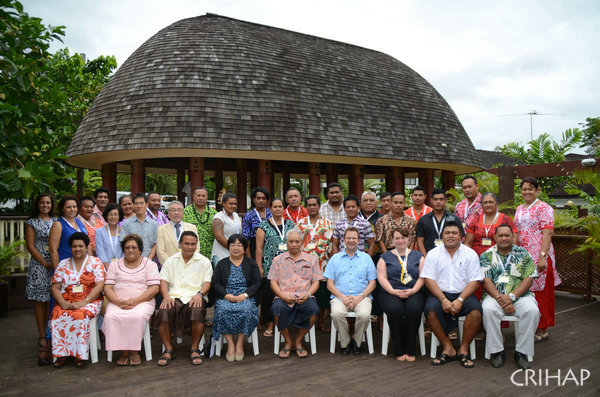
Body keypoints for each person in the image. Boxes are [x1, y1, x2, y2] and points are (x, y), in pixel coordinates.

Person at [421, 221, 482, 368]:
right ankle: (448, 347)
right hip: (439, 294)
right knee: (430, 310)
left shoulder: (470, 254)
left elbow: (475, 281)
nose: (450, 236)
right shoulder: (433, 254)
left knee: (476, 312)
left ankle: (463, 348)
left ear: (461, 235)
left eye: (454, 233)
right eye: (447, 233)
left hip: (464, 294)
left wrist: (460, 299)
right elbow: (428, 280)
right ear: (442, 235)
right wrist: (443, 299)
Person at [480, 225, 540, 369]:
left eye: (507, 235)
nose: (504, 238)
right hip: (494, 296)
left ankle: (521, 352)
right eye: (500, 236)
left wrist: (512, 297)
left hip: (520, 296)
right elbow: (486, 281)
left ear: (513, 237)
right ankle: (497, 351)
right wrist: (502, 299)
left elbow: (529, 279)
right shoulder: (486, 255)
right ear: (495, 237)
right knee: (488, 310)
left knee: (532, 311)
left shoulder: (524, 254)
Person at [157, 231, 212, 366]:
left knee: (197, 310)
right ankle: (168, 349)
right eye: (186, 243)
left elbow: (207, 283)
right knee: (163, 311)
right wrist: (165, 296)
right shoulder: (171, 261)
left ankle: (194, 348)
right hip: (174, 296)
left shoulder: (204, 261)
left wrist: (199, 294)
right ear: (180, 244)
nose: (190, 247)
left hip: (195, 296)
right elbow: (163, 281)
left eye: (193, 244)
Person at [103, 234, 160, 366]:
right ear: (123, 250)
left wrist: (136, 301)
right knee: (111, 316)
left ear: (140, 250)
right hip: (118, 301)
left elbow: (154, 288)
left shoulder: (149, 265)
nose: (130, 250)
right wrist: (117, 301)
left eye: (134, 247)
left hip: (143, 301)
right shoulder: (115, 265)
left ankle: (134, 351)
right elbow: (108, 288)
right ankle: (124, 352)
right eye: (127, 247)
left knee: (137, 316)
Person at [50, 232, 105, 368]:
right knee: (57, 315)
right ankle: (61, 354)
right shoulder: (63, 264)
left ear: (87, 247)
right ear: (70, 248)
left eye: (81, 246)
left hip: (91, 301)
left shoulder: (95, 262)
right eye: (74, 246)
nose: (77, 249)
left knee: (80, 316)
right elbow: (55, 287)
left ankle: (80, 355)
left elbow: (100, 285)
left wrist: (84, 302)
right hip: (67, 301)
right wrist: (62, 302)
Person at [514, 176, 559, 342]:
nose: (527, 192)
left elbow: (548, 232)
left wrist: (542, 256)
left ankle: (542, 329)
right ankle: (528, 325)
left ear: (537, 190)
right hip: (523, 256)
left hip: (539, 253)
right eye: (524, 189)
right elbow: (516, 232)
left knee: (541, 293)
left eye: (530, 189)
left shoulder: (544, 207)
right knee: (527, 291)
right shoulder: (520, 208)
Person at [269, 229, 323, 358]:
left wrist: (308, 294)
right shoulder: (278, 260)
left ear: (302, 243)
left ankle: (298, 341)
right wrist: (282, 296)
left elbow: (316, 282)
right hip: (284, 296)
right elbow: (273, 282)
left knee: (314, 310)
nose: (294, 244)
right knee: (276, 310)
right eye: (291, 241)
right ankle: (288, 341)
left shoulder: (311, 260)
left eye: (297, 241)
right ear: (286, 243)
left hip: (305, 295)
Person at [325, 227, 376, 355]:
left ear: (359, 240)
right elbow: (330, 285)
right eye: (349, 238)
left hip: (362, 297)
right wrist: (342, 297)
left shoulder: (366, 258)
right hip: (340, 297)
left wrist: (360, 297)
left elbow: (372, 283)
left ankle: (357, 342)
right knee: (336, 314)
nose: (351, 240)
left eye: (354, 238)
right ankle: (346, 342)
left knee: (364, 315)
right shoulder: (335, 259)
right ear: (343, 240)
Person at [377, 227, 425, 361]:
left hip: (414, 291)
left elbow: (423, 277)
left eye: (403, 237)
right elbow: (382, 278)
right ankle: (398, 347)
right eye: (397, 238)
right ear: (392, 240)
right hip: (390, 292)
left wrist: (413, 291)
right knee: (395, 309)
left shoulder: (418, 256)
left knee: (413, 310)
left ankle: (410, 348)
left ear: (409, 239)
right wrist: (393, 291)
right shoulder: (384, 257)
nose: (400, 241)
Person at [211, 234, 261, 362]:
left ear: (244, 248)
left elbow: (256, 282)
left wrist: (244, 295)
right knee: (222, 310)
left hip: (245, 297)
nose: (236, 248)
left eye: (239, 245)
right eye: (232, 245)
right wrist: (226, 295)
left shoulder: (251, 263)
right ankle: (230, 344)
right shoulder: (222, 263)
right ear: (228, 248)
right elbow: (215, 283)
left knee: (246, 310)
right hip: (226, 296)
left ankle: (239, 343)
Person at [255, 198, 295, 337]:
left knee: (285, 293)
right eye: (275, 206)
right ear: (270, 209)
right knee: (268, 295)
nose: (278, 209)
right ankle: (270, 324)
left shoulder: (290, 225)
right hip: (268, 266)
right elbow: (259, 248)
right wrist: (259, 267)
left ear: (284, 208)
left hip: (288, 266)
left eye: (280, 206)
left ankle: (285, 322)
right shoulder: (263, 226)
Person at [297, 195, 334, 332]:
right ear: (306, 207)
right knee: (307, 292)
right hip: (304, 265)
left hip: (323, 263)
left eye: (314, 205)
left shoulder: (328, 223)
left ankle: (320, 322)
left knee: (322, 294)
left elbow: (331, 245)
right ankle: (307, 320)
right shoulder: (300, 224)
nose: (312, 207)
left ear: (319, 206)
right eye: (309, 205)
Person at [25, 193, 56, 348]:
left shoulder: (56, 221)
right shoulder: (32, 222)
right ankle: (42, 334)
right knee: (41, 300)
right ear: (38, 204)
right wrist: (45, 263)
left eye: (48, 203)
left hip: (56, 263)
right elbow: (30, 246)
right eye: (42, 203)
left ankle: (53, 331)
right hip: (40, 266)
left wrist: (54, 263)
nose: (45, 205)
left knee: (54, 298)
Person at [464, 192, 518, 257]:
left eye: (491, 202)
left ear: (496, 204)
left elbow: (514, 240)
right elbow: (468, 243)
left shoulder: (506, 219)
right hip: (478, 259)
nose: (488, 205)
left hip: (500, 259)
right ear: (481, 205)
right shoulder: (476, 220)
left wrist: (509, 257)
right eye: (485, 202)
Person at [416, 188, 465, 255]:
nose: (438, 202)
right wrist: (426, 258)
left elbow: (459, 239)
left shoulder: (455, 219)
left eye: (441, 199)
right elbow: (420, 241)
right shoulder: (423, 220)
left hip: (450, 255)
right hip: (430, 257)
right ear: (431, 200)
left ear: (446, 201)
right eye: (436, 199)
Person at [49, 195, 89, 268]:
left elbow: (87, 245)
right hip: (66, 266)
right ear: (62, 209)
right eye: (68, 207)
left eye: (74, 207)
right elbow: (53, 250)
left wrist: (91, 265)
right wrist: (57, 272)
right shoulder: (58, 225)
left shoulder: (81, 222)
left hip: (83, 266)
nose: (72, 209)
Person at [156, 200, 199, 265]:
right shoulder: (161, 230)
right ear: (168, 213)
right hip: (170, 267)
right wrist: (172, 265)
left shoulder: (192, 228)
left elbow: (197, 248)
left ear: (183, 213)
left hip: (189, 265)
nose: (176, 213)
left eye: (179, 210)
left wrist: (188, 263)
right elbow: (161, 252)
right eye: (173, 210)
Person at [183, 186, 218, 260]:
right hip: (191, 254)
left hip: (210, 254)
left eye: (203, 196)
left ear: (207, 197)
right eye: (198, 195)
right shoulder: (185, 212)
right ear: (193, 196)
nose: (201, 198)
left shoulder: (214, 214)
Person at [120, 193, 158, 259]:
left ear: (146, 205)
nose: (139, 206)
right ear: (133, 205)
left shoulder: (154, 224)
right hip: (131, 260)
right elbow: (124, 243)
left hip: (149, 261)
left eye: (141, 203)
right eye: (136, 203)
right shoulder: (127, 224)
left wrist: (149, 259)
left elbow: (156, 244)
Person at [211, 192, 242, 266]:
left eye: (235, 204)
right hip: (221, 254)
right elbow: (219, 237)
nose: (233, 206)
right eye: (231, 204)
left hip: (234, 253)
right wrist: (233, 248)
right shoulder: (218, 217)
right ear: (224, 203)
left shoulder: (235, 215)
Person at [242, 186, 272, 259]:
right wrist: (249, 258)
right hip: (254, 247)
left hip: (271, 248)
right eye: (258, 198)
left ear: (267, 200)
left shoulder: (271, 214)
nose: (261, 201)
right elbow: (246, 239)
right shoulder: (248, 216)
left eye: (263, 198)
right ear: (253, 199)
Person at [95, 203, 124, 268]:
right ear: (106, 216)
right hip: (104, 267)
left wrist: (121, 267)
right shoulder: (99, 232)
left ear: (119, 216)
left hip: (121, 267)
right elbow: (100, 251)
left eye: (115, 214)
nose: (113, 217)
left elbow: (125, 252)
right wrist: (108, 267)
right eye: (110, 214)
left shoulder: (124, 232)